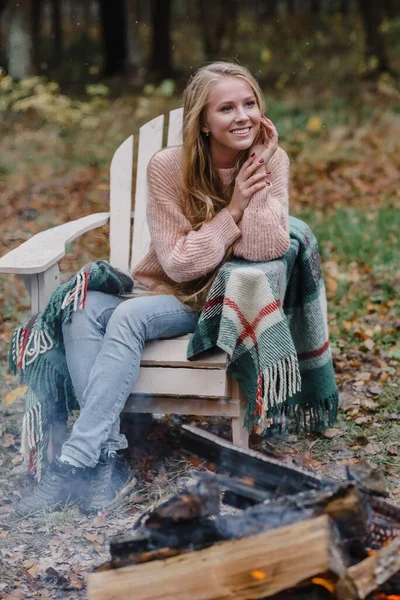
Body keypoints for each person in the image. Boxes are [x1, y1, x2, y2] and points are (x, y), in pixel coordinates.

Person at [16, 61, 291, 516]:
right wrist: (232, 212)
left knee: (125, 316)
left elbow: (265, 247)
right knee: (80, 307)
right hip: (159, 289)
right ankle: (107, 462)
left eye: (249, 104)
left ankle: (76, 461)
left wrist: (253, 186)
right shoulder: (168, 167)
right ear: (203, 120)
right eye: (226, 108)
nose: (242, 116)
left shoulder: (271, 162)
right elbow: (179, 263)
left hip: (212, 302)